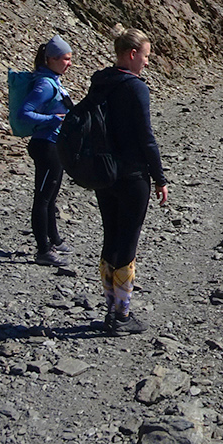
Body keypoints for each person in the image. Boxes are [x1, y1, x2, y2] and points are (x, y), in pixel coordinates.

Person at [87, 27, 168, 336]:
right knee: (128, 243)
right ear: (132, 54)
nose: (147, 62)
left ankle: (110, 308)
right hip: (132, 175)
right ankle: (121, 315)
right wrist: (160, 177)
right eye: (145, 56)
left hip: (103, 173)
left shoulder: (100, 81)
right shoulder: (136, 88)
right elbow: (146, 138)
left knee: (111, 237)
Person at [21, 35, 74, 266]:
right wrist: (52, 119)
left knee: (51, 197)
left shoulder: (52, 80)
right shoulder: (44, 84)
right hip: (46, 146)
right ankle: (43, 250)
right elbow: (25, 112)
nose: (69, 63)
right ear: (51, 59)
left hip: (54, 144)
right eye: (65, 59)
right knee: (43, 198)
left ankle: (55, 240)